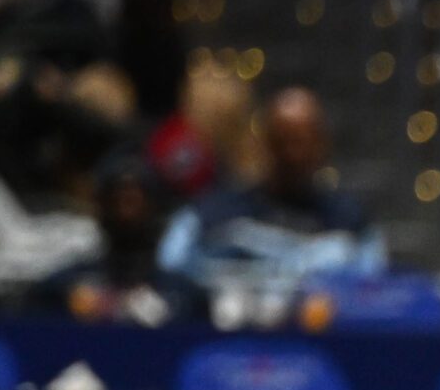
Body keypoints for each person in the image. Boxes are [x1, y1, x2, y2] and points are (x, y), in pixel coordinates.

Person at [159, 87, 385, 280]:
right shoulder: (213, 214)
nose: (293, 155)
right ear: (265, 143)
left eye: (302, 142)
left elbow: (373, 285)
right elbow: (170, 266)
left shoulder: (351, 223)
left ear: (322, 146)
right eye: (282, 141)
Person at [29, 151, 206, 326]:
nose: (126, 213)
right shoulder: (66, 287)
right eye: (117, 201)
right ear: (102, 208)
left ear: (155, 209)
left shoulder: (183, 295)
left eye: (133, 201)